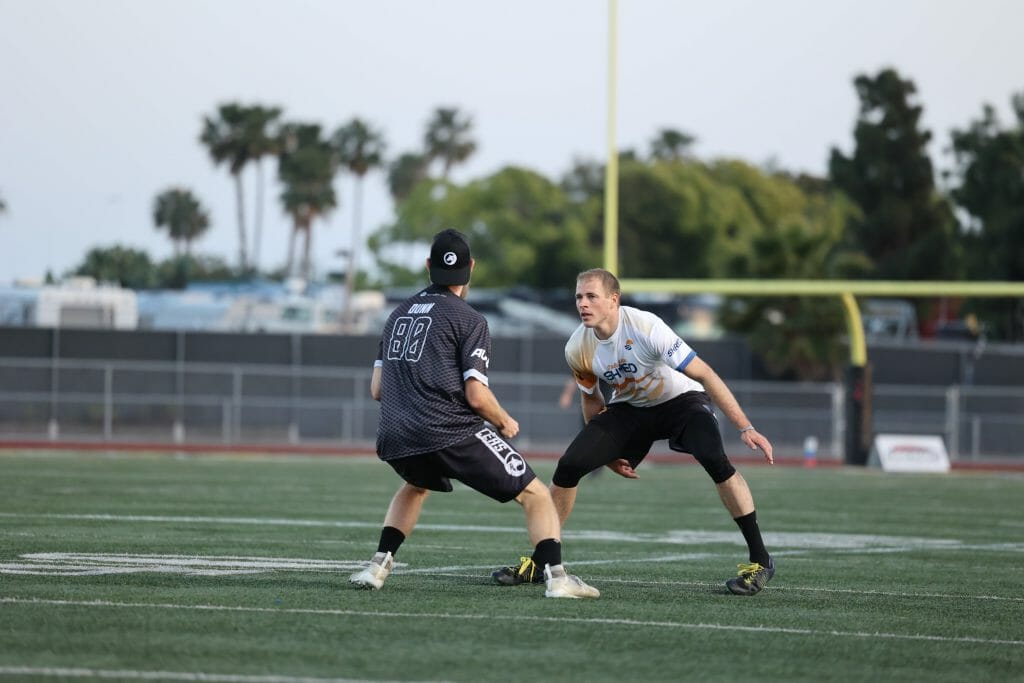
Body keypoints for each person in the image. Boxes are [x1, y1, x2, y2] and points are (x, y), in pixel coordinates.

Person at [493, 268, 776, 595]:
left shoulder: (646, 326)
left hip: (680, 401)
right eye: (578, 297)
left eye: (591, 297)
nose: (582, 304)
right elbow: (592, 401)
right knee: (569, 466)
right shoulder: (577, 347)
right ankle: (543, 561)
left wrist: (746, 427)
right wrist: (606, 453)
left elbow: (706, 374)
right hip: (630, 409)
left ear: (614, 300)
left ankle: (761, 559)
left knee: (714, 458)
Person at [350, 229, 599, 599]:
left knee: (416, 486)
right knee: (536, 495)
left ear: (427, 266)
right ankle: (558, 578)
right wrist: (503, 420)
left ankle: (378, 565)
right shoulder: (469, 319)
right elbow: (476, 396)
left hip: (396, 434)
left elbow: (377, 390)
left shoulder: (396, 316)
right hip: (448, 430)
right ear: (471, 268)